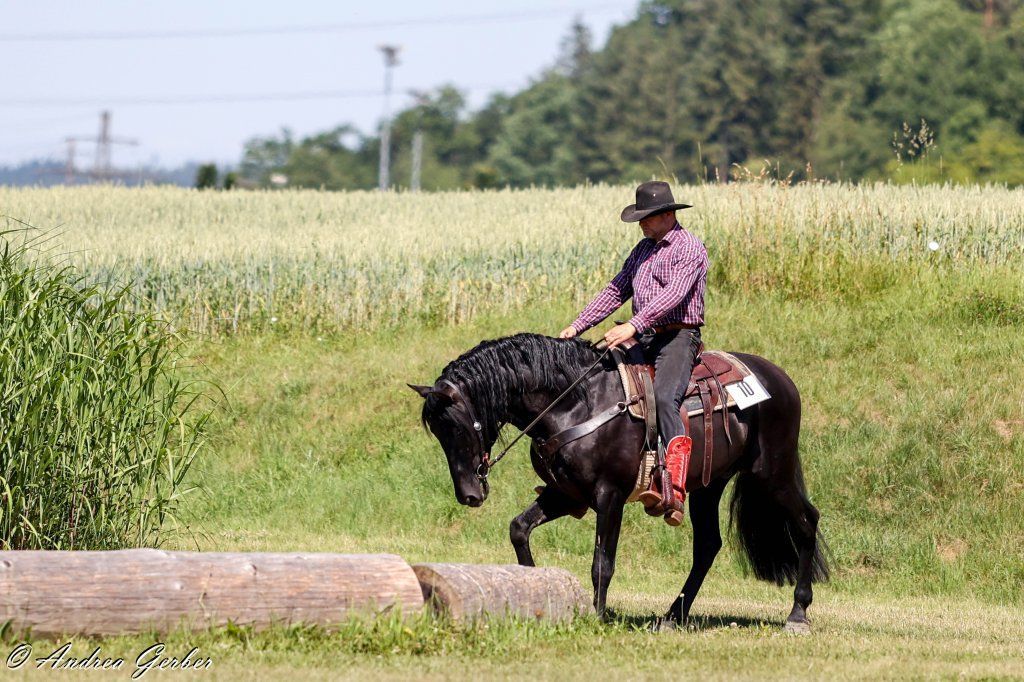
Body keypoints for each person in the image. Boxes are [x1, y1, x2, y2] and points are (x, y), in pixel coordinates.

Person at [559, 180, 708, 523]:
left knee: (665, 397)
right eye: (640, 216)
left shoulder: (689, 248)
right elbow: (615, 290)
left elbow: (673, 296)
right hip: (645, 334)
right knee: (601, 384)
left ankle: (674, 484)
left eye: (648, 216)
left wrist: (632, 326)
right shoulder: (642, 250)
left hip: (677, 337)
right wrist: (577, 326)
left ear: (668, 214)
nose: (642, 222)